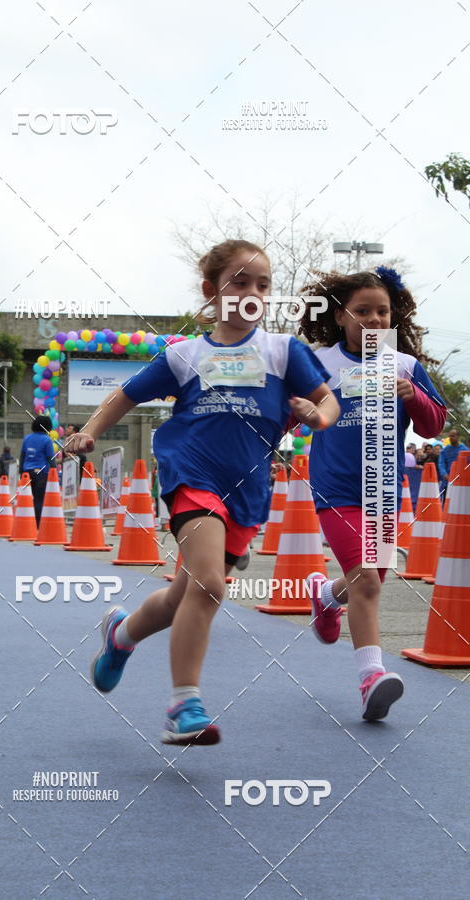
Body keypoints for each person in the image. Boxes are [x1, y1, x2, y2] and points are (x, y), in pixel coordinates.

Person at [65, 238, 339, 745]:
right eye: (240, 282)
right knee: (210, 585)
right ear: (212, 292)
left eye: (263, 285)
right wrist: (90, 431)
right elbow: (123, 395)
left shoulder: (284, 352)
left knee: (184, 595)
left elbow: (328, 403)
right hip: (191, 475)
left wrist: (317, 416)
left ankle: (120, 637)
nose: (253, 292)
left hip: (248, 489)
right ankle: (183, 705)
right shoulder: (184, 356)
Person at [298, 266, 447, 721]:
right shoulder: (321, 363)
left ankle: (325, 597)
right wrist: (300, 409)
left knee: (372, 578)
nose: (375, 320)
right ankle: (370, 678)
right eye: (362, 311)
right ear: (340, 317)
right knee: (367, 578)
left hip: (383, 493)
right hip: (336, 489)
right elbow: (286, 414)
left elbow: (433, 425)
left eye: (383, 312)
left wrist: (414, 397)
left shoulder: (404, 366)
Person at [19, 415, 55, 525]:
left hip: (26, 472)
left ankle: (25, 522)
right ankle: (37, 524)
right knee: (39, 499)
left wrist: (21, 472)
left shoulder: (27, 438)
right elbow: (50, 459)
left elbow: (22, 456)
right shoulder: (47, 440)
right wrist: (54, 473)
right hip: (40, 473)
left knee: (25, 499)